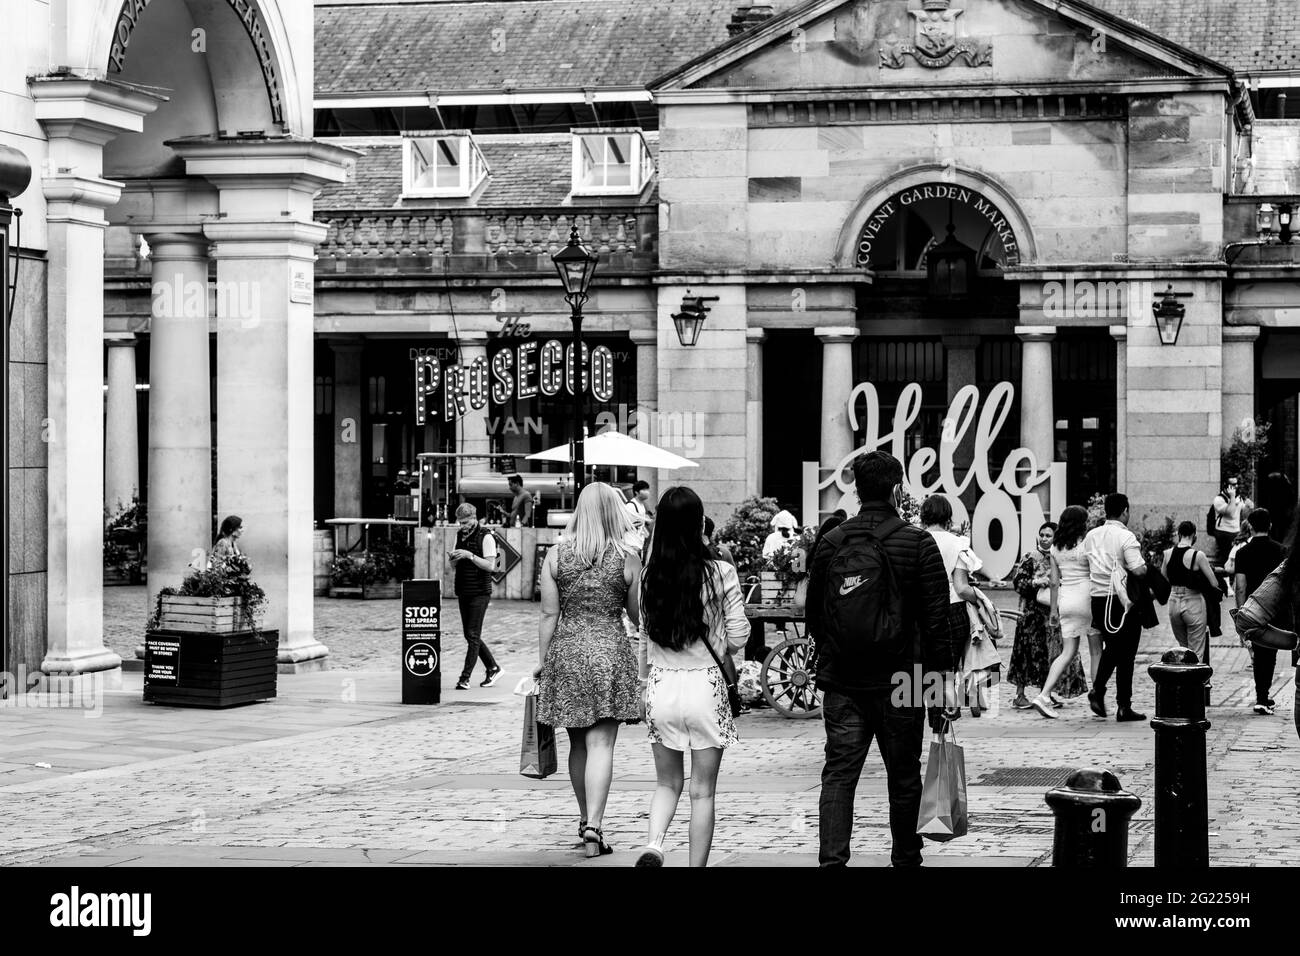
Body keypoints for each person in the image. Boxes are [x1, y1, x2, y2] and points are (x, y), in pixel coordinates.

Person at [806, 451, 957, 868]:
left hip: (842, 679)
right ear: (896, 489)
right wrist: (940, 690)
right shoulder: (918, 542)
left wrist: (837, 651)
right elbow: (936, 624)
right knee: (904, 774)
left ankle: (832, 861)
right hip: (904, 679)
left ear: (856, 489)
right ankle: (906, 856)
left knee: (839, 772)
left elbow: (814, 616)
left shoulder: (833, 541)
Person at [633, 486, 749, 868]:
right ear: (700, 523)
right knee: (702, 793)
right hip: (705, 686)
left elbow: (644, 638)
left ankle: (654, 843)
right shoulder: (720, 573)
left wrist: (642, 685)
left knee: (666, 783)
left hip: (662, 685)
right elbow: (738, 637)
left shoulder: (650, 576)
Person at [534, 483, 642, 856]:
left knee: (578, 744)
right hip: (609, 653)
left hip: (567, 654)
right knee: (602, 744)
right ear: (615, 512)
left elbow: (549, 613)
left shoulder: (556, 555)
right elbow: (635, 614)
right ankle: (595, 824)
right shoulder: (628, 555)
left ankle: (584, 821)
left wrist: (542, 660)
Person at [1232, 510, 1300, 741]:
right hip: (1280, 611)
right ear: (1270, 525)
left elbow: (1240, 587)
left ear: (1249, 526)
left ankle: (1262, 696)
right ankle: (1263, 696)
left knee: (1262, 655)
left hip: (1263, 605)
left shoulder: (1244, 553)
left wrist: (1294, 641)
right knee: (1267, 658)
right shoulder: (1280, 551)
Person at [922, 494, 990, 716]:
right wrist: (979, 599)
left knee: (928, 664)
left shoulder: (916, 539)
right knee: (951, 666)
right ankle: (951, 706)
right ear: (947, 516)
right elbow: (961, 587)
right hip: (953, 608)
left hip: (923, 608)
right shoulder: (957, 543)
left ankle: (933, 709)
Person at [1083, 493, 1148, 722]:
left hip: (1099, 599)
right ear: (1125, 511)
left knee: (1113, 647)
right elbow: (1138, 569)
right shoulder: (1125, 536)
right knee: (1125, 653)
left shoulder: (1091, 536)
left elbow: (1083, 562)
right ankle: (1118, 702)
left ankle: (1106, 696)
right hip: (1122, 601)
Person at [1032, 507, 1096, 718]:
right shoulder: (1086, 543)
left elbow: (1053, 583)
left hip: (1066, 601)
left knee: (1067, 652)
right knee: (1096, 651)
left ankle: (1044, 695)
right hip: (1087, 598)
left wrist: (1053, 611)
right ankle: (1097, 696)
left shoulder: (1055, 548)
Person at [449, 503, 502, 690]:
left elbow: (490, 566)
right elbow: (454, 566)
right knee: (470, 634)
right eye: (460, 522)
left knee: (472, 635)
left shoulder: (486, 536)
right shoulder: (459, 536)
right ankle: (493, 667)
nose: (462, 526)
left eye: (465, 522)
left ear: (474, 518)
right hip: (463, 589)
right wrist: (454, 558)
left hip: (480, 591)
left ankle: (465, 678)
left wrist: (469, 555)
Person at [1008, 522, 1056, 709]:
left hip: (1048, 615)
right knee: (1024, 654)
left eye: (1048, 535)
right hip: (1029, 615)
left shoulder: (1056, 558)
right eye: (1042, 534)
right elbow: (1018, 583)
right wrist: (1036, 582)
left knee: (1047, 655)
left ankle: (1044, 695)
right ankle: (1019, 695)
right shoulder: (1030, 557)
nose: (1044, 538)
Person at [1160, 521, 1219, 667]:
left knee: (1183, 647)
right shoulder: (1198, 556)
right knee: (1196, 651)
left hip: (1173, 601)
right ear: (1194, 535)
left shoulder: (1167, 554)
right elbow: (1214, 583)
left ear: (1178, 534)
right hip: (1193, 601)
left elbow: (1163, 579)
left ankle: (1182, 685)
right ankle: (1194, 687)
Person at [1211, 477, 1251, 562]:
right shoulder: (1219, 499)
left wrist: (1248, 507)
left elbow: (1244, 514)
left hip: (1236, 531)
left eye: (1236, 484)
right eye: (1233, 484)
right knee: (1226, 558)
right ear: (1226, 485)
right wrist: (1232, 497)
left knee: (1236, 557)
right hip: (1223, 532)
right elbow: (1231, 513)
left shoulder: (1238, 497)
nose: (1236, 486)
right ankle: (1224, 573)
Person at [625, 480, 652, 550]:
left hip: (639, 542)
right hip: (631, 544)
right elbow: (625, 526)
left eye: (647, 489)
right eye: (644, 489)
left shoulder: (642, 505)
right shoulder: (630, 506)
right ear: (636, 492)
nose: (647, 492)